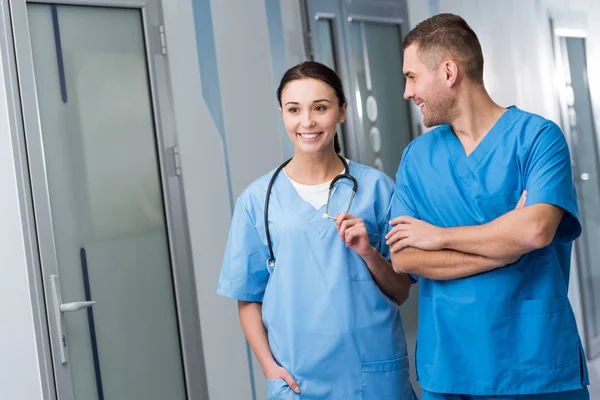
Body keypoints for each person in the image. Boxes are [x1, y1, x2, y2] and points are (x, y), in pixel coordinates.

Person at [385, 13, 589, 400]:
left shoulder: (537, 139)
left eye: (412, 77)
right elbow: (406, 257)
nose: (407, 92)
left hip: (533, 364)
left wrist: (440, 237)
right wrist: (504, 252)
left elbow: (535, 230)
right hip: (449, 368)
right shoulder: (418, 157)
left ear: (448, 72)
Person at [217, 61, 416, 399]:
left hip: (371, 375)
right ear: (282, 113)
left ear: (342, 111)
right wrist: (269, 367)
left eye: (320, 108)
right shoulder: (257, 200)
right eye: (294, 109)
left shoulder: (377, 189)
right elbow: (248, 298)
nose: (306, 121)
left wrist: (368, 251)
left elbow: (400, 291)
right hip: (298, 381)